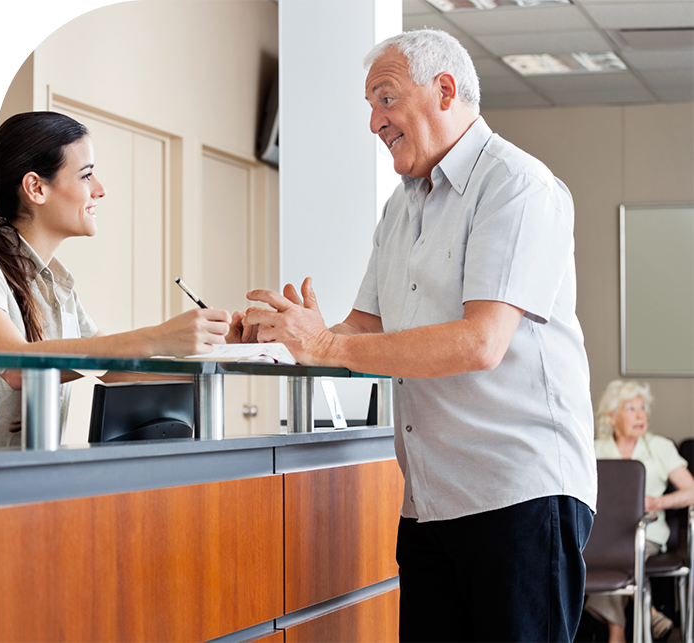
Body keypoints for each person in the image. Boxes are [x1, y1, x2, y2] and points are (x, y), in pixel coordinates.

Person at [240, 29, 597, 642]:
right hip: (430, 503)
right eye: (370, 106)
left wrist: (327, 345)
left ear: (445, 90)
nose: (373, 122)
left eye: (385, 99)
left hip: (520, 496)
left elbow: (480, 342)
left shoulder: (517, 186)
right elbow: (363, 331)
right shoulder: (401, 206)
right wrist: (283, 335)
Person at [0, 111, 232, 448]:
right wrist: (157, 337)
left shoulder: (56, 285)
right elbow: (16, 366)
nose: (101, 190)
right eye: (86, 176)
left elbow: (115, 368)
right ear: (36, 187)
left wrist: (224, 348)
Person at [585, 379, 694, 643]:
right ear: (611, 417)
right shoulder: (594, 449)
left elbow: (692, 490)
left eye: (643, 408)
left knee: (618, 556)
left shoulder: (660, 447)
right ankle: (651, 612)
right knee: (609, 553)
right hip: (600, 539)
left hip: (647, 535)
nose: (640, 414)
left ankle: (616, 633)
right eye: (630, 408)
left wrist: (656, 503)